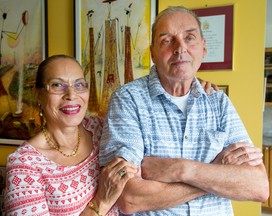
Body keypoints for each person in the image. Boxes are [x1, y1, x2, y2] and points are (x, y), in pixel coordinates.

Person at [99, 6, 269, 216]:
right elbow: (129, 197)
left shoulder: (218, 102)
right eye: (167, 40)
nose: (180, 48)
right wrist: (216, 170)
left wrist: (181, 169)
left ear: (203, 48)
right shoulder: (127, 100)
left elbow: (258, 186)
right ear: (152, 52)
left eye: (190, 38)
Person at [4, 55, 138, 215]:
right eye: (57, 85)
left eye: (79, 84)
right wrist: (101, 201)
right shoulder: (24, 165)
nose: (71, 94)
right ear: (38, 94)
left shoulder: (102, 129)